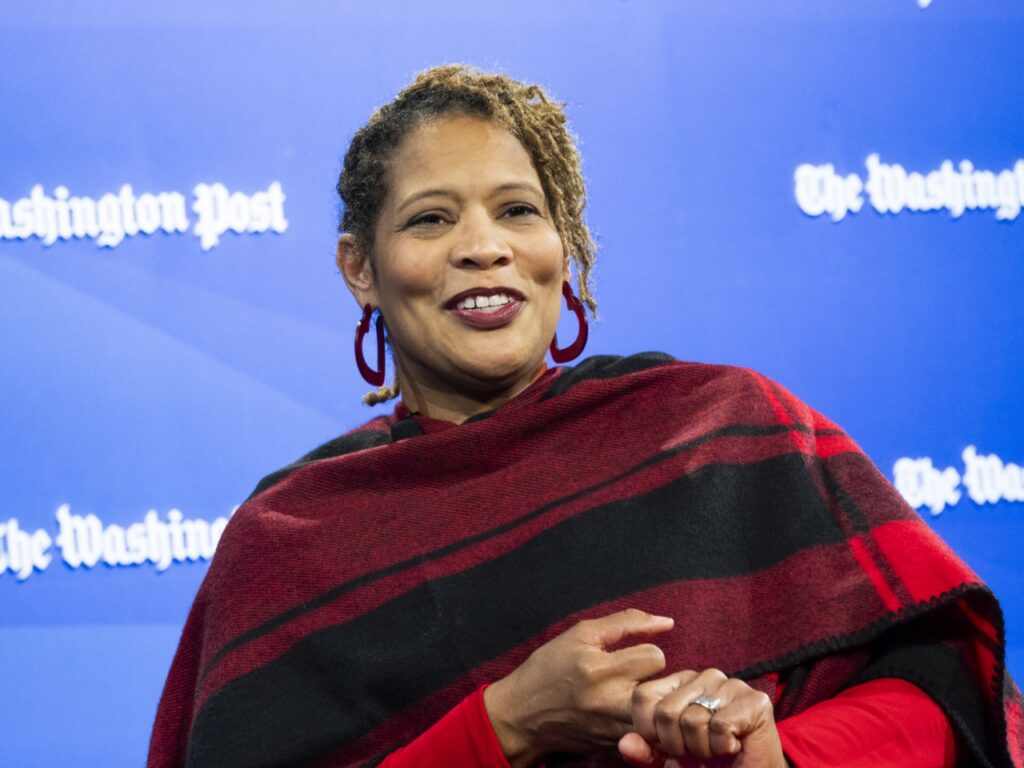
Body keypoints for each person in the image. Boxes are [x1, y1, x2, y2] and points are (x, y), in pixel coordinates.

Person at [148, 65, 1023, 768]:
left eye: (518, 211)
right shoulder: (289, 541)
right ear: (360, 269)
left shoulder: (724, 427)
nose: (483, 246)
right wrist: (506, 724)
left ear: (563, 249)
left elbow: (945, 690)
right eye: (431, 219)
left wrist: (783, 754)